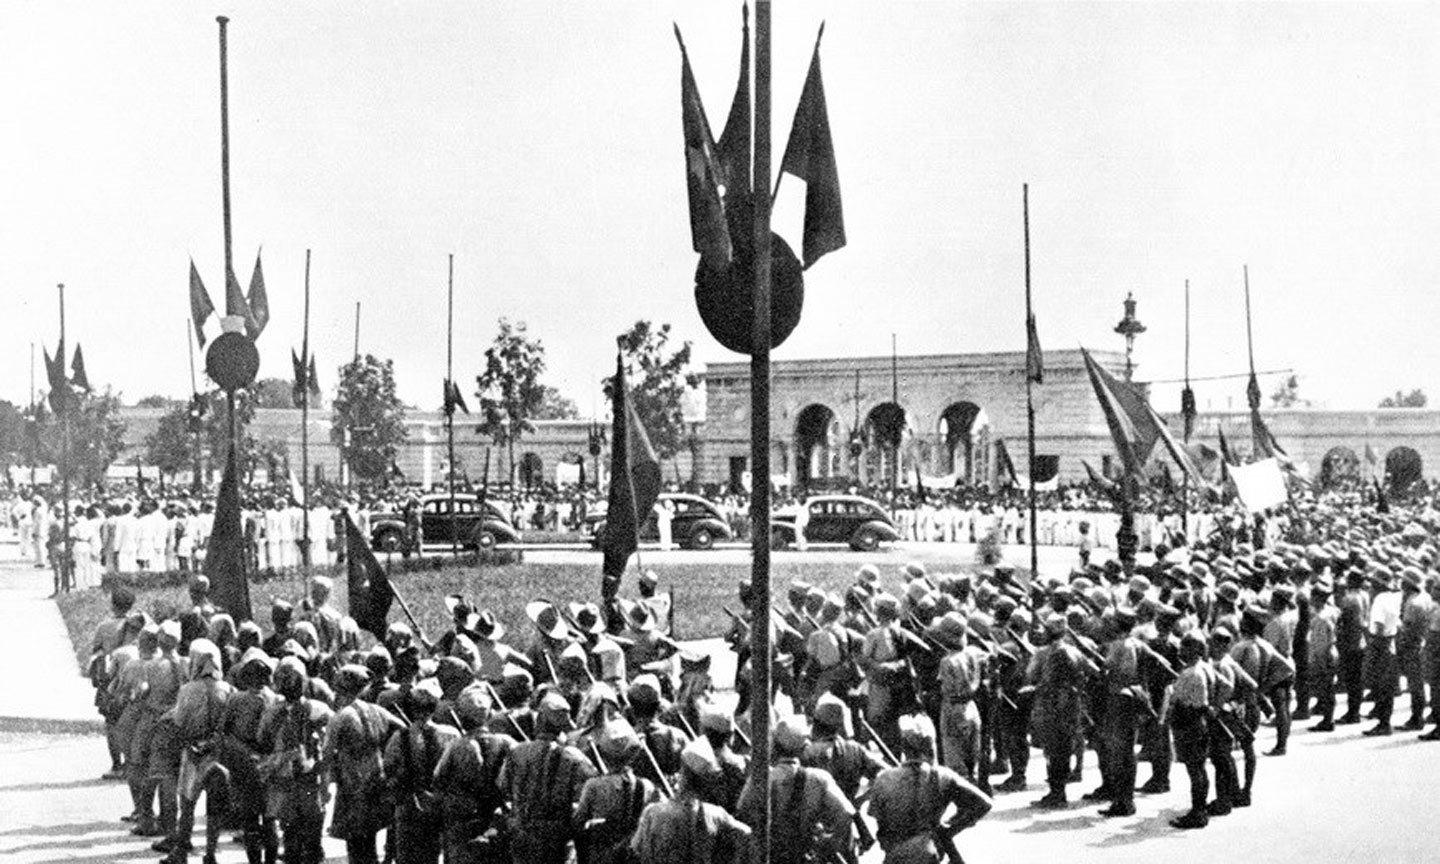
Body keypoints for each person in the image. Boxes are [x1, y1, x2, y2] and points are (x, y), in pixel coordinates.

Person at [866, 713, 992, 863]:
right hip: (929, 851)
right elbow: (983, 804)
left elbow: (881, 827)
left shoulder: (883, 779)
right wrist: (948, 830)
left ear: (904, 747)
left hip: (896, 855)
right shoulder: (942, 776)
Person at [737, 714, 855, 864]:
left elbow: (741, 815)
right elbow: (846, 814)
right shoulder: (819, 779)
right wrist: (830, 844)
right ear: (803, 747)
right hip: (806, 855)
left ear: (775, 746)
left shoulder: (759, 778)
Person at [499, 691, 597, 863]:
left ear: (540, 720)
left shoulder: (517, 751)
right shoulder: (576, 758)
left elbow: (502, 786)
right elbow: (587, 798)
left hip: (524, 835)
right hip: (558, 840)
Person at [160, 638, 234, 863]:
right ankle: (210, 853)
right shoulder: (228, 689)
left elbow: (179, 721)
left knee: (188, 804)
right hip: (218, 753)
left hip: (193, 752)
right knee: (214, 807)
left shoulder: (188, 690)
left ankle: (181, 850)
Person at [630, 736, 752, 864]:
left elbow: (635, 849)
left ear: (684, 776)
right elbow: (746, 834)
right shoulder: (717, 815)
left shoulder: (653, 812)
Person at [258, 657, 333, 864]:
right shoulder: (318, 709)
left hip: (287, 783)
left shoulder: (272, 713)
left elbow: (262, 743)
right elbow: (329, 747)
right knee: (311, 840)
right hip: (309, 783)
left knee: (292, 837)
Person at [326, 665, 404, 864]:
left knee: (355, 843)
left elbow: (327, 754)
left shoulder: (341, 717)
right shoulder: (377, 711)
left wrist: (325, 784)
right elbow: (404, 730)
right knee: (370, 838)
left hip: (352, 783)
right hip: (376, 778)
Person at [573, 716, 662, 864]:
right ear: (633, 755)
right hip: (633, 857)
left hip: (602, 857)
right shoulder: (646, 786)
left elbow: (578, 823)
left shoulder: (594, 786)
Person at [1168, 631, 1215, 830]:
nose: (1181, 650)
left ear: (1194, 649)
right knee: (1200, 769)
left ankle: (1198, 812)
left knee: (1194, 770)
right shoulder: (1205, 668)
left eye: (1185, 646)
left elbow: (1181, 700)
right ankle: (1200, 809)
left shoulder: (1191, 673)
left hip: (1190, 722)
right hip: (1199, 721)